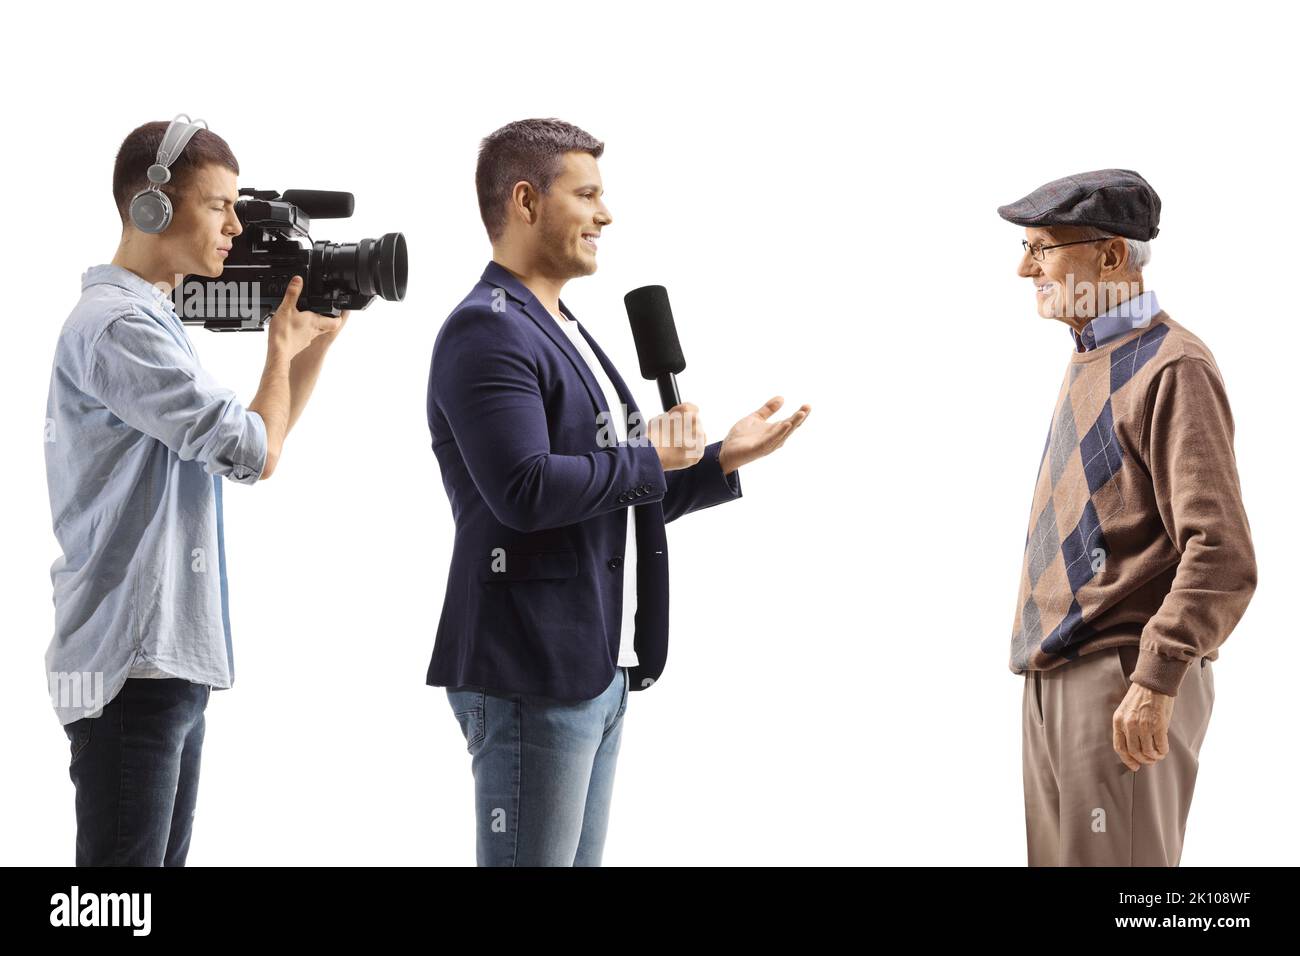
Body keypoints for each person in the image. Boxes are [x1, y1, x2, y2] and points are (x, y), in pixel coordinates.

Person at [426, 118, 811, 865]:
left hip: (593, 669)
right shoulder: (486, 331)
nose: (607, 214)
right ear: (528, 201)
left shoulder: (561, 325)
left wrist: (720, 460)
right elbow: (527, 491)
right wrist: (651, 460)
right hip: (528, 670)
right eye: (589, 194)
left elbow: (615, 495)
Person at [43, 115, 346, 865]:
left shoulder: (151, 319)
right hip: (131, 663)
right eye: (219, 206)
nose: (236, 228)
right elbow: (247, 449)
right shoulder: (118, 327)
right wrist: (279, 350)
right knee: (119, 905)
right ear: (151, 208)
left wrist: (310, 349)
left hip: (164, 662)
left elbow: (258, 447)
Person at [999, 169, 1257, 866]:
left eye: (1043, 249)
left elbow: (1221, 551)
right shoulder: (1095, 357)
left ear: (1111, 257)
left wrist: (1154, 676)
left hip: (1119, 677)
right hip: (1056, 676)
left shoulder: (1173, 366)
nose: (1025, 269)